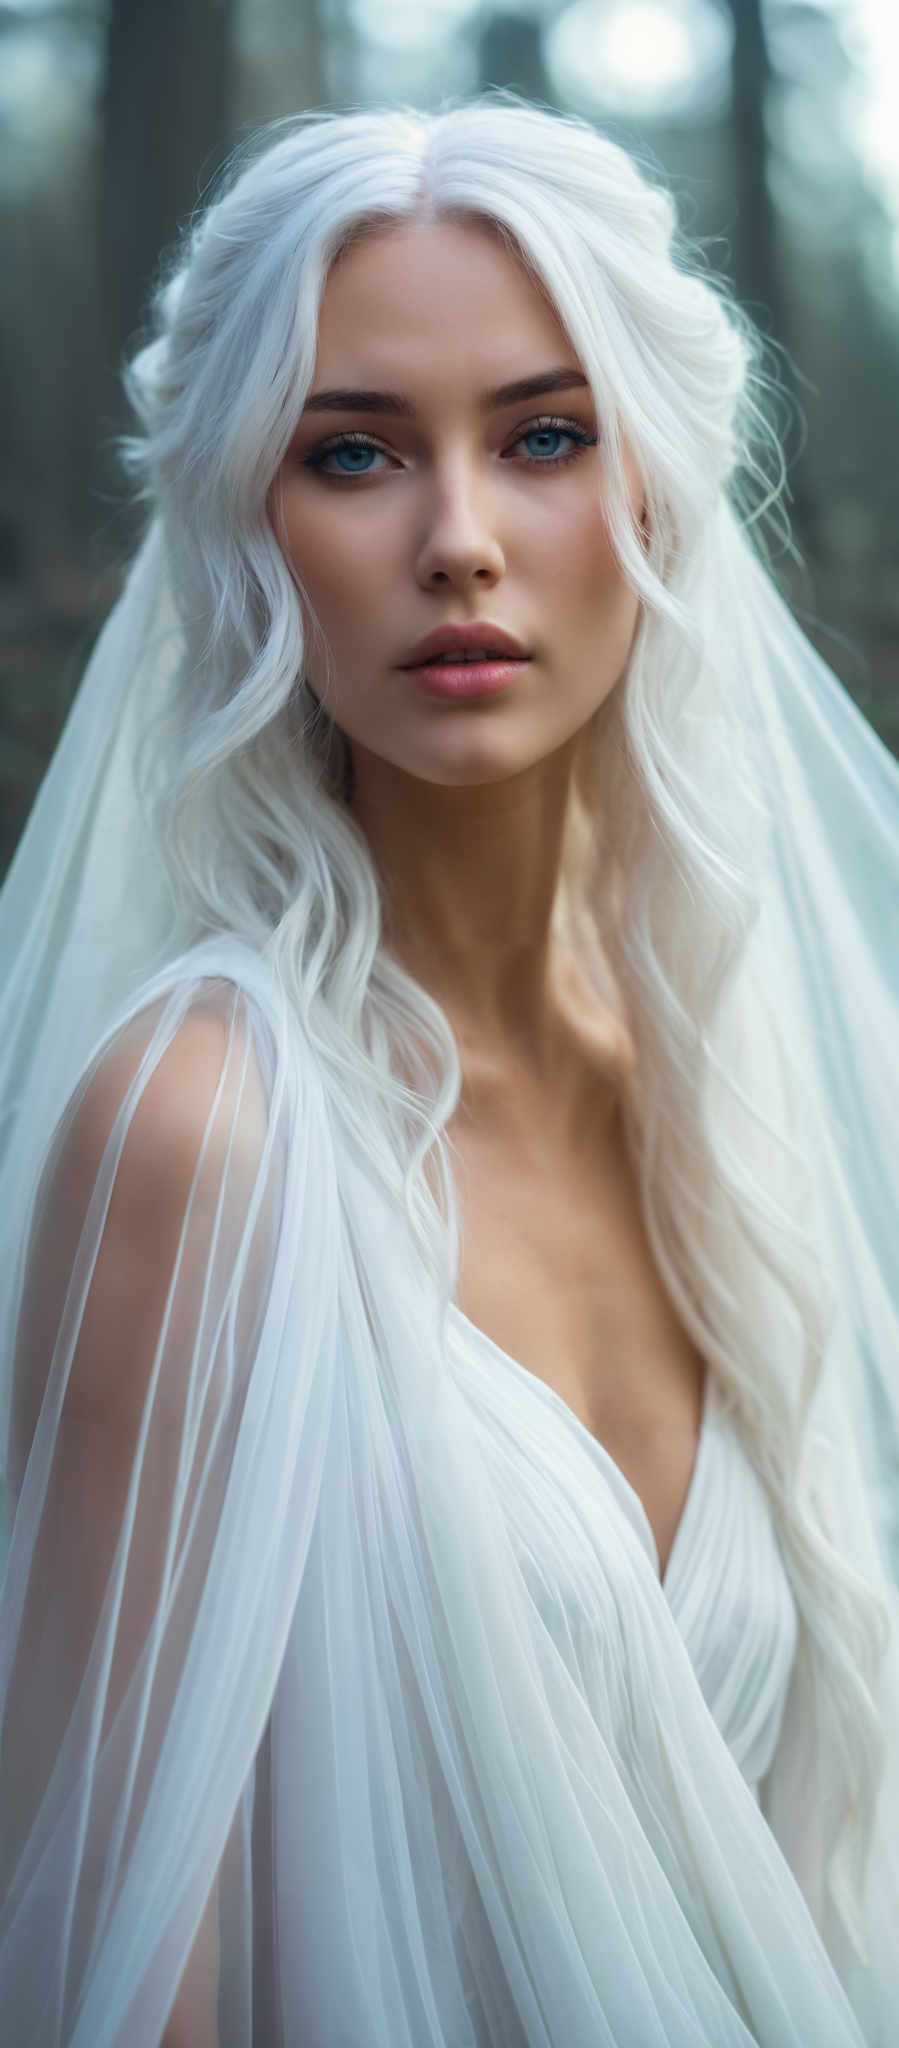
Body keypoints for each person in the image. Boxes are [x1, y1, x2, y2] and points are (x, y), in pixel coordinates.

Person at [0, 92, 897, 2048]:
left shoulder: (723, 1083)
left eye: (546, 435)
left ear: (657, 488)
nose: (462, 541)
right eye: (355, 452)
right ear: (247, 523)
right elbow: (131, 1980)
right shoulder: (197, 1136)